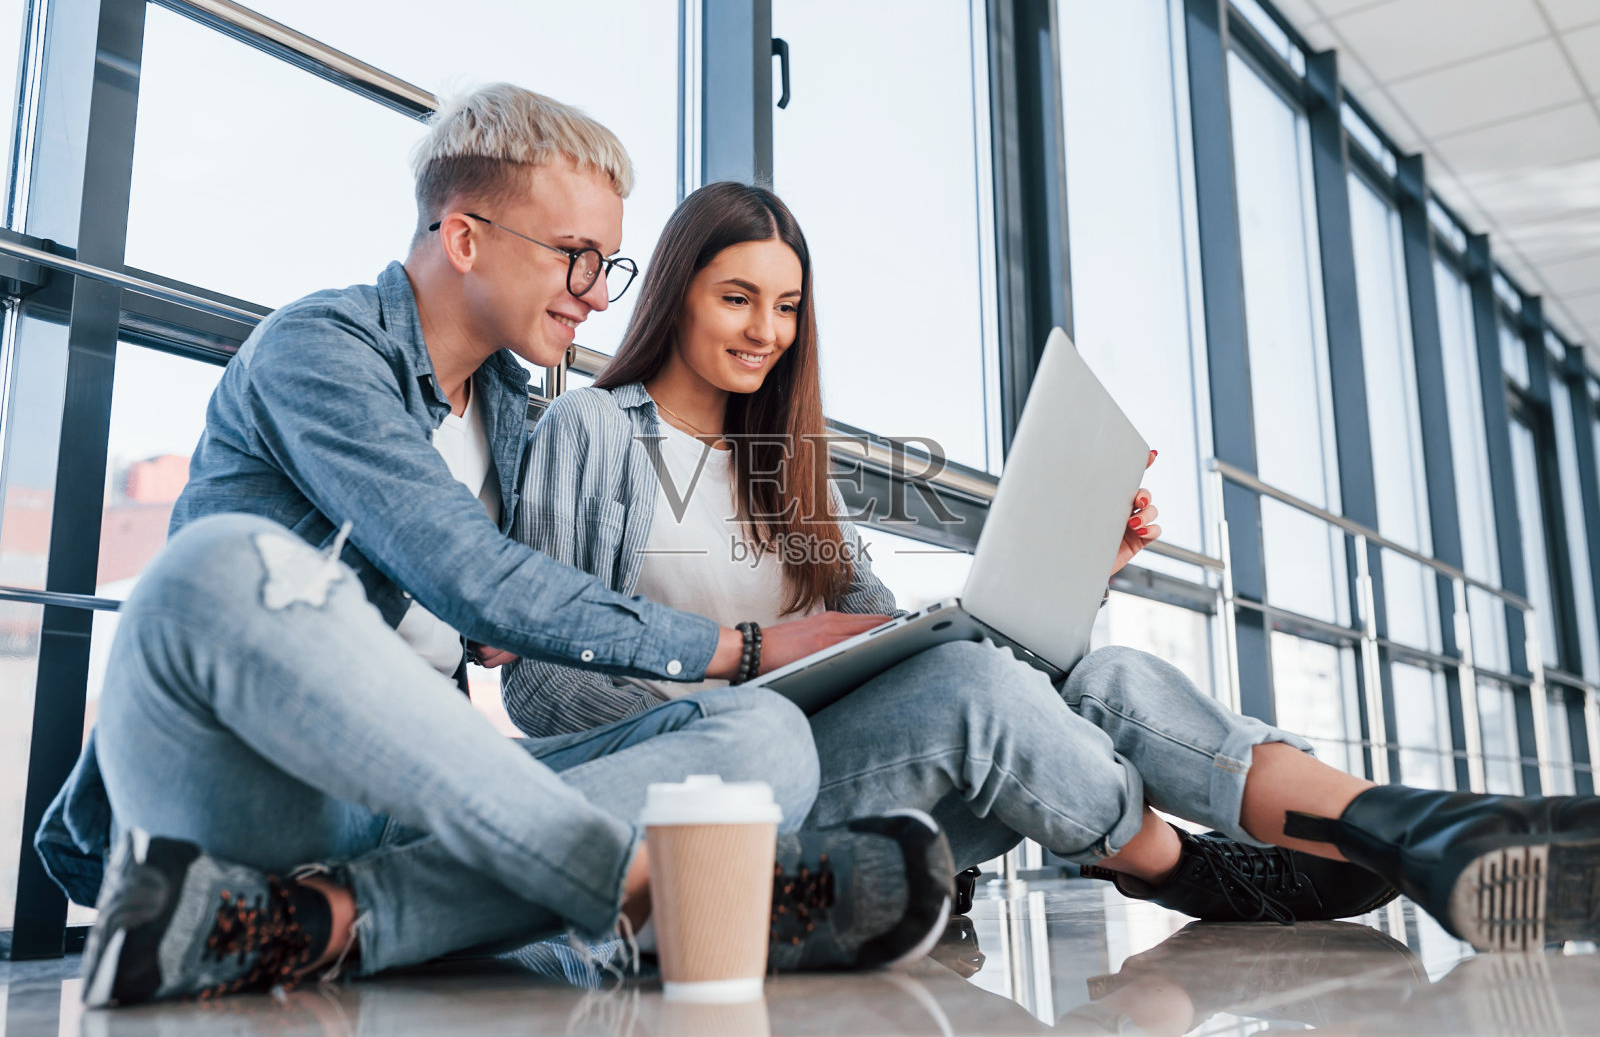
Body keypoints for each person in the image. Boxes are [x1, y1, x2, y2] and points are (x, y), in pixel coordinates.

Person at [502, 180, 1600, 953]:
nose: (765, 331)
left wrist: (1073, 573)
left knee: (1088, 676)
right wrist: (738, 672)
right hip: (722, 793)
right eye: (736, 297)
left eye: (786, 306)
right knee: (975, 689)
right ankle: (1188, 868)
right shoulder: (593, 435)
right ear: (678, 293)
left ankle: (1418, 826)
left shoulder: (790, 468)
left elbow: (888, 638)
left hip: (864, 764)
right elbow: (540, 682)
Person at [38, 87, 955, 1010]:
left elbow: (513, 605)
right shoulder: (318, 349)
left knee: (765, 740)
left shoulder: (515, 415)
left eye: (609, 266)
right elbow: (473, 576)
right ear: (466, 239)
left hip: (406, 806)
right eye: (575, 258)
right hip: (256, 782)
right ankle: (640, 893)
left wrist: (524, 615)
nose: (597, 295)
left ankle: (312, 923)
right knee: (220, 565)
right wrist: (738, 648)